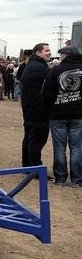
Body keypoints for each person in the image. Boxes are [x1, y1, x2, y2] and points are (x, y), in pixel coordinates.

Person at [42, 45, 82, 187]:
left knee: (59, 147)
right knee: (77, 147)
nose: (60, 57)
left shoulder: (55, 71)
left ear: (66, 55)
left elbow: (46, 93)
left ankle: (60, 179)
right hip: (78, 115)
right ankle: (77, 180)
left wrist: (52, 107)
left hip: (58, 115)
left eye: (61, 54)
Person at [20, 43, 51, 168]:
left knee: (29, 137)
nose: (49, 52)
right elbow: (50, 88)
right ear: (38, 53)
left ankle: (27, 165)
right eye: (46, 50)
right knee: (36, 140)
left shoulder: (32, 65)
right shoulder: (40, 67)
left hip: (30, 109)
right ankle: (35, 167)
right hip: (38, 110)